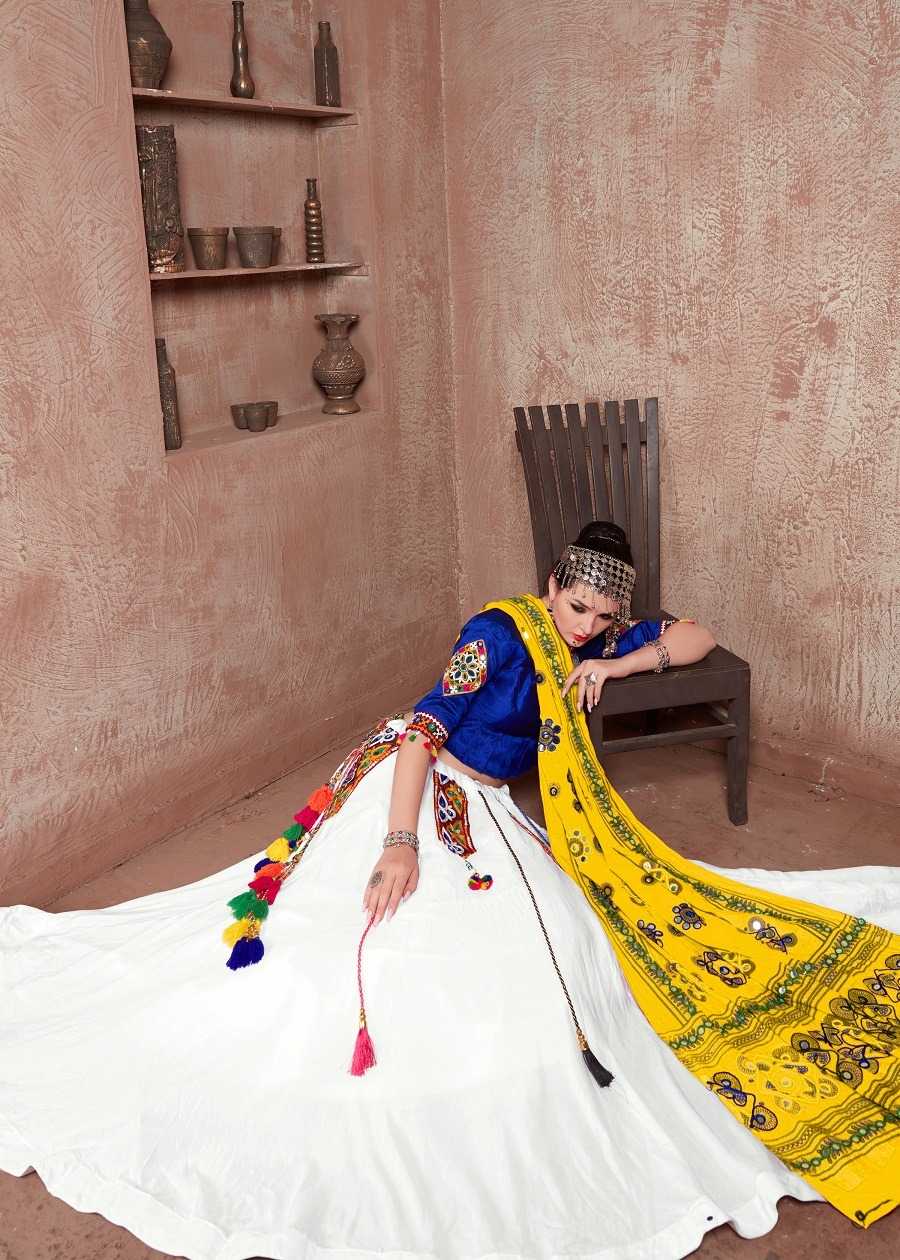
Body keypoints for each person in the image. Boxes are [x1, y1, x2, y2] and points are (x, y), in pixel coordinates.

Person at [1, 521, 897, 1260]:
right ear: (550, 584)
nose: (585, 626)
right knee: (404, 957)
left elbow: (695, 634)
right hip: (423, 791)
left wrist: (618, 664)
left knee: (575, 936)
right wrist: (399, 846)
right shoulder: (496, 636)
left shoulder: (591, 639)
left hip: (491, 808)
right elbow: (420, 734)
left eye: (602, 617)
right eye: (576, 607)